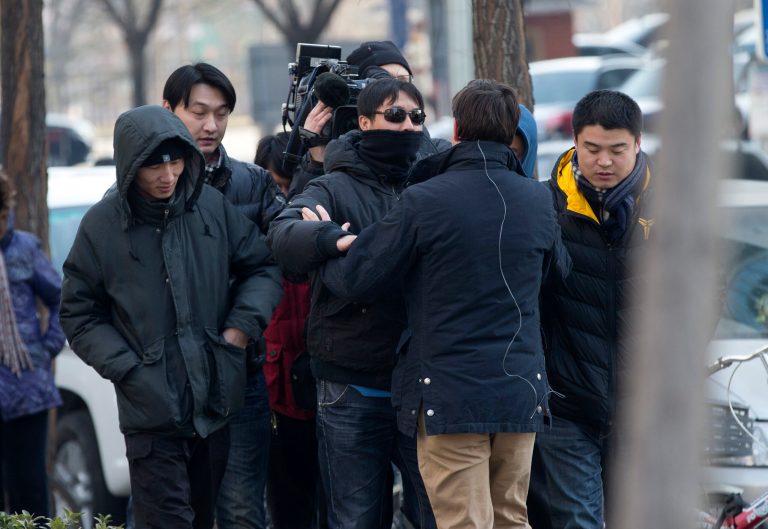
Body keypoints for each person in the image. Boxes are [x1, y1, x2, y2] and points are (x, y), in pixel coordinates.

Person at [310, 78, 569, 529]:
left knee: (462, 522)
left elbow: (360, 277)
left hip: (450, 395)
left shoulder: (424, 200)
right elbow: (557, 274)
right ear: (512, 133)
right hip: (521, 392)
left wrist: (326, 242)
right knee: (512, 517)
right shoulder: (540, 200)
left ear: (455, 133)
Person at [60, 105, 282, 529]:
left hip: (214, 402)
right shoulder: (101, 227)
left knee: (202, 519)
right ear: (129, 166)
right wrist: (128, 368)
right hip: (151, 413)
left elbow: (262, 267)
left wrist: (236, 334)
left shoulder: (211, 209)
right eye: (153, 165)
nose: (167, 175)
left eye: (175, 161)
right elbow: (78, 312)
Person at [267, 78, 436, 529]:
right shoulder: (334, 185)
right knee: (355, 519)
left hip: (423, 386)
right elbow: (283, 233)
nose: (407, 126)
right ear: (363, 122)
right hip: (351, 385)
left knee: (431, 515)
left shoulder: (434, 179)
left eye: (416, 117)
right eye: (394, 116)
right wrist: (333, 240)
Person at [162, 62, 285, 529]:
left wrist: (238, 333)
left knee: (241, 511)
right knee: (172, 511)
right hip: (166, 381)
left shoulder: (252, 183)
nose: (211, 125)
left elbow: (274, 262)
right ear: (169, 110)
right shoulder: (138, 189)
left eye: (222, 113)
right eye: (198, 112)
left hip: (239, 375)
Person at [529, 89, 653, 529]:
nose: (604, 162)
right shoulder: (544, 206)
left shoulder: (667, 208)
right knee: (578, 520)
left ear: (637, 145)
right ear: (574, 144)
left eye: (617, 150)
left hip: (644, 405)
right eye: (592, 149)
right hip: (567, 404)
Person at [254, 132, 323, 529]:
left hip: (326, 383)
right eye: (277, 187)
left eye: (291, 186)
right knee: (289, 506)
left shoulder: (318, 220)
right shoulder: (256, 230)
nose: (285, 198)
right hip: (279, 395)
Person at [291, 39, 449, 195]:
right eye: (382, 81)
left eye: (403, 80)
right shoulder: (335, 152)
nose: (394, 90)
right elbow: (301, 208)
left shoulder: (439, 151)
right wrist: (317, 157)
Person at [0, 171, 65, 518]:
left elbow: (61, 299)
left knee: (31, 494)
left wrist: (47, 347)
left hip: (28, 389)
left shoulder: (24, 247)